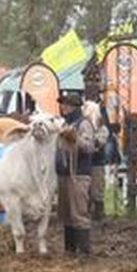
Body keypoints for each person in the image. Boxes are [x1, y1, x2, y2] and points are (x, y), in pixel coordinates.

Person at [57, 90, 102, 256]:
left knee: (79, 212)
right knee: (66, 214)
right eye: (63, 104)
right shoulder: (63, 124)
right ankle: (69, 249)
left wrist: (74, 137)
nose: (63, 107)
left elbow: (90, 147)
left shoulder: (84, 124)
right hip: (64, 173)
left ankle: (84, 251)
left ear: (74, 107)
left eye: (66, 104)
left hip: (79, 174)